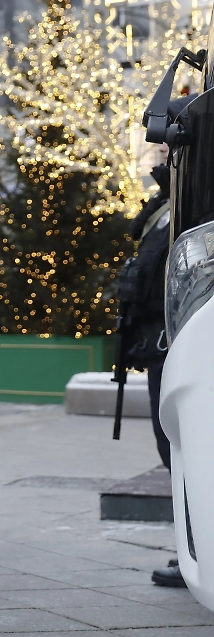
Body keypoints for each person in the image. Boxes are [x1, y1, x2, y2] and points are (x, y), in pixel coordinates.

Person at [118, 140, 180, 588]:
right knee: (172, 444)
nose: (159, 150)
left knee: (184, 444)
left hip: (177, 338)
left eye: (167, 143)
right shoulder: (166, 201)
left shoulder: (191, 199)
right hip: (159, 341)